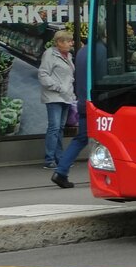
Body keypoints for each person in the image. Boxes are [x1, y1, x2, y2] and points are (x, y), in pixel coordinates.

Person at [52, 24, 106, 189]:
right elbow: (104, 78)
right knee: (108, 139)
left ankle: (61, 171)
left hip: (84, 102)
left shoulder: (83, 51)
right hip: (98, 104)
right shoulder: (102, 51)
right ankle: (109, 174)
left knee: (81, 138)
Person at [38, 29, 75, 171]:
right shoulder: (50, 54)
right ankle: (49, 159)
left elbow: (68, 77)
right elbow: (43, 74)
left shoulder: (68, 56)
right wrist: (58, 87)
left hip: (66, 97)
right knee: (54, 128)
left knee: (60, 128)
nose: (71, 43)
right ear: (59, 42)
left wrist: (70, 93)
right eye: (68, 41)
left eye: (71, 40)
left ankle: (59, 158)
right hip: (54, 96)